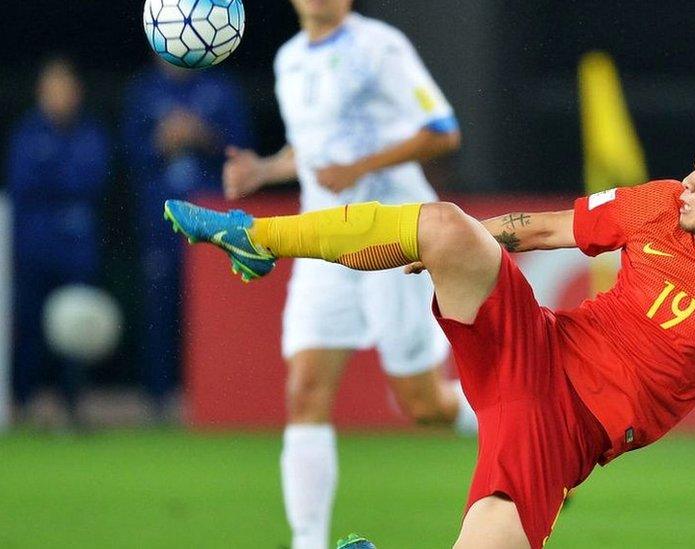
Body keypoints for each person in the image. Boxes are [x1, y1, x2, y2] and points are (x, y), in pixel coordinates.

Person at [164, 91, 695, 548]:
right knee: (449, 224)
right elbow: (543, 230)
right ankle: (256, 238)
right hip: (536, 344)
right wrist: (463, 247)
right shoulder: (658, 204)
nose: (692, 175)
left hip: (565, 429)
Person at [218, 1, 475, 548]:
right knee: (305, 389)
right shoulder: (289, 59)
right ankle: (306, 543)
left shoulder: (379, 46)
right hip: (326, 245)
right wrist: (264, 170)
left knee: (423, 406)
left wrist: (360, 169)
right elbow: (313, 150)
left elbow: (442, 130)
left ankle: (521, 422)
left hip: (394, 237)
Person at [122, 57, 251, 419]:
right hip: (159, 219)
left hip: (213, 221)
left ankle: (218, 399)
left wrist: (203, 136)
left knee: (215, 314)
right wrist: (160, 142)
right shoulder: (144, 91)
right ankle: (158, 402)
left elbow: (244, 152)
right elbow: (127, 154)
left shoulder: (221, 89)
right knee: (159, 311)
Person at [6, 57, 111, 427]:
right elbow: (23, 184)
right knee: (30, 329)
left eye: (65, 88)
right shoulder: (26, 134)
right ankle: (23, 404)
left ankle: (72, 409)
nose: (60, 97)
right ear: (41, 93)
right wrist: (63, 181)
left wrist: (54, 177)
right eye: (53, 89)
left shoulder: (90, 133)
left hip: (77, 248)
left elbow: (94, 179)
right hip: (35, 246)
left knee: (76, 330)